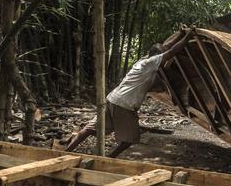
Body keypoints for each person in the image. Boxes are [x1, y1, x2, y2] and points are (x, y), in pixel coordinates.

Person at [65, 29, 194, 156]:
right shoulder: (151, 63)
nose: (163, 60)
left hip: (112, 98)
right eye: (161, 57)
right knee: (130, 138)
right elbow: (171, 51)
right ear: (156, 56)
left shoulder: (143, 60)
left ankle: (67, 151)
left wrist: (181, 34)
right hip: (124, 104)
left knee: (90, 129)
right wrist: (188, 37)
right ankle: (109, 158)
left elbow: (166, 47)